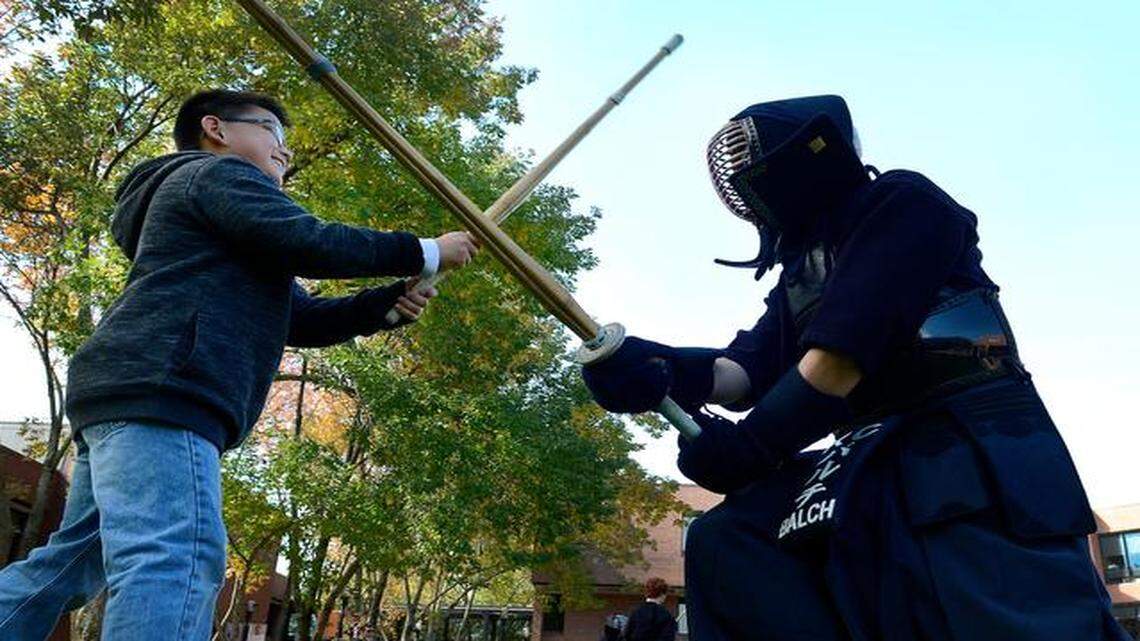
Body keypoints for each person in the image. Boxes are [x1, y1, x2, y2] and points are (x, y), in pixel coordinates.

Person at [583, 95, 1129, 640]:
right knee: (729, 539)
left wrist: (750, 448)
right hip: (871, 455)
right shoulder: (798, 276)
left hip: (965, 443)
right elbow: (742, 371)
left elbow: (838, 359)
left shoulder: (904, 203)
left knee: (989, 614)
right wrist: (659, 368)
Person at [0, 89, 479, 640]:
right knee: (176, 557)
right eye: (273, 132)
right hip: (168, 390)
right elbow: (310, 239)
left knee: (72, 564)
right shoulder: (215, 175)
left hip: (129, 391)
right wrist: (425, 249)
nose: (284, 152)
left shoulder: (222, 225)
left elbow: (301, 317)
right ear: (217, 129)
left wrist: (384, 305)